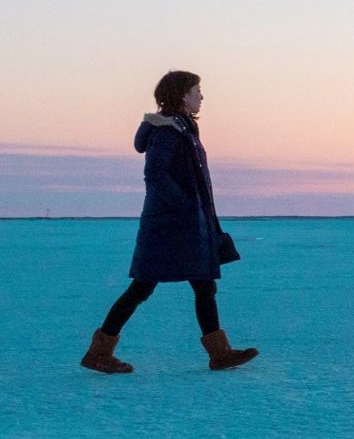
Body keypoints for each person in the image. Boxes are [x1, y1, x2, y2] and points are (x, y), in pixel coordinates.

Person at [80, 71, 259, 374]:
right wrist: (185, 205)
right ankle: (99, 352)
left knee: (204, 286)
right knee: (142, 288)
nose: (201, 96)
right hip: (169, 227)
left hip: (188, 225)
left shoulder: (184, 128)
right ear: (181, 95)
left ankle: (220, 354)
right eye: (197, 90)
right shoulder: (166, 131)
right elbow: (156, 175)